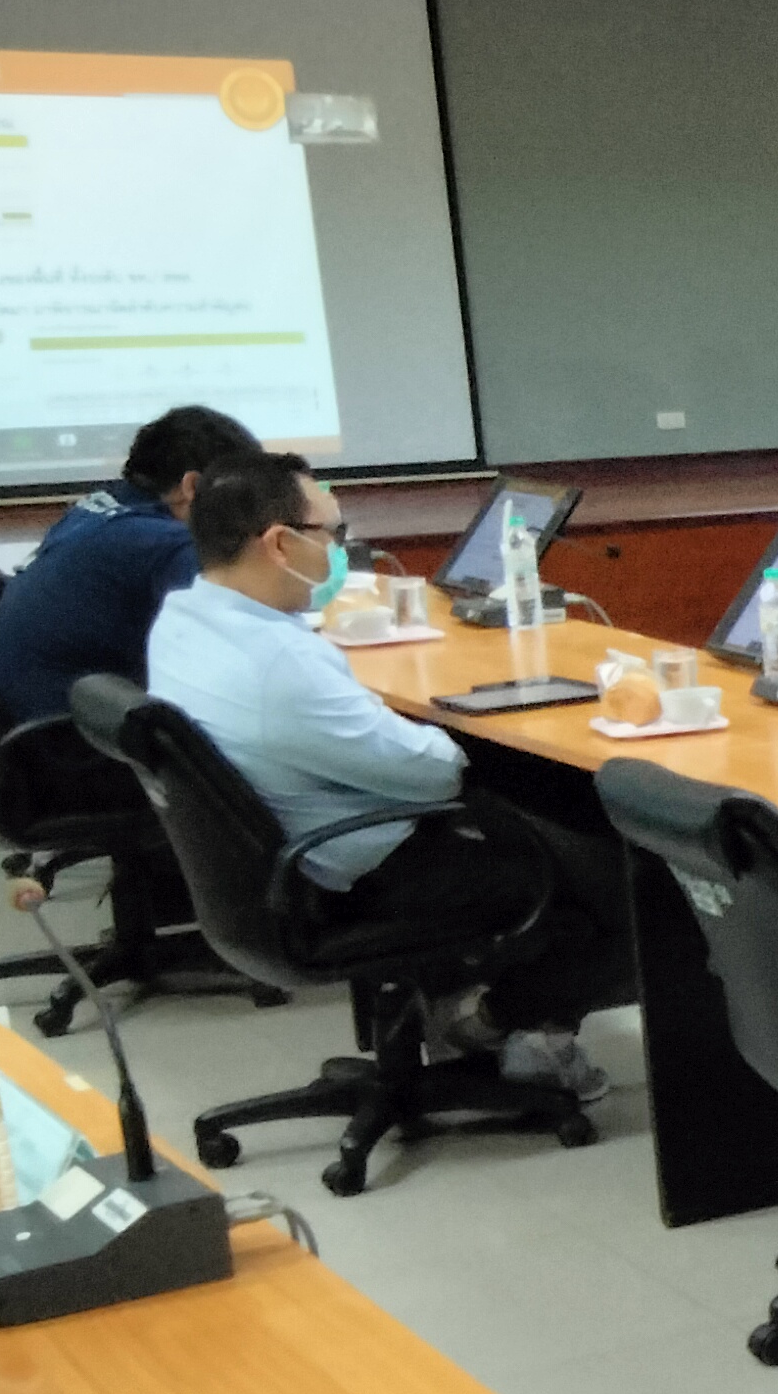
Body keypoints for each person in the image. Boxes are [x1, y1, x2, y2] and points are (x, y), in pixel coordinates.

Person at [143, 453, 633, 1101]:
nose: (339, 551)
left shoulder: (183, 619)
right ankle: (497, 1025)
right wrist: (456, 735)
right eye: (332, 533)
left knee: (535, 803)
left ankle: (467, 1007)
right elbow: (435, 775)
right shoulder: (279, 664)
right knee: (618, 877)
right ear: (280, 543)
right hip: (351, 874)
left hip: (273, 872)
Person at [0, 405, 259, 723]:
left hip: (33, 712)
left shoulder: (100, 507)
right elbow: (242, 644)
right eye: (245, 496)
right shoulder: (163, 543)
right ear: (194, 488)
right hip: (70, 734)